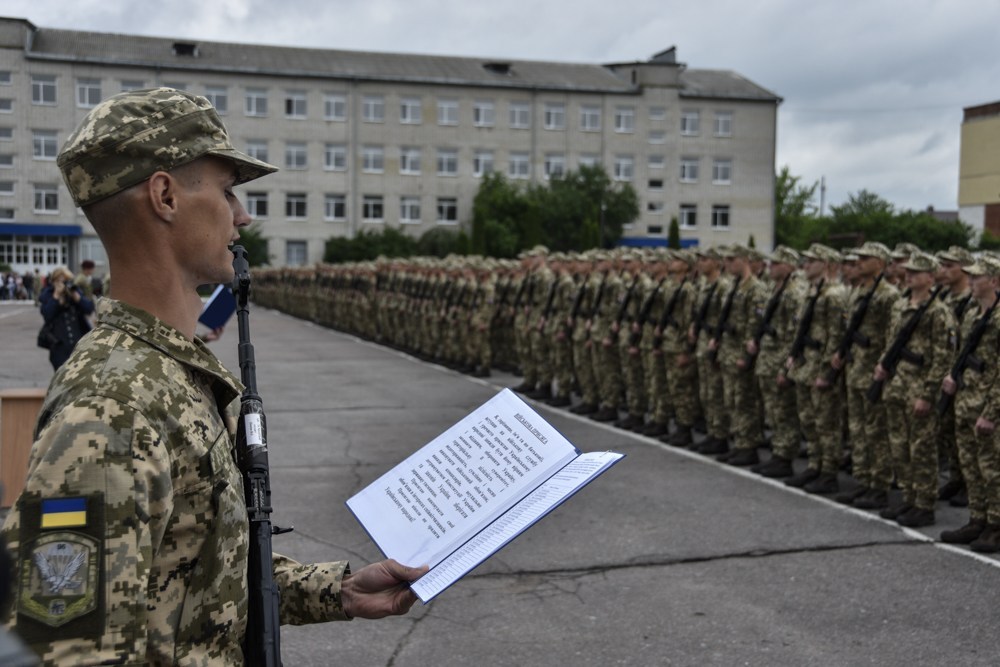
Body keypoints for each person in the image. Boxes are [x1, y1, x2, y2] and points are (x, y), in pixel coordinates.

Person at [1, 88, 425, 666]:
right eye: (227, 191)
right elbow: (65, 650)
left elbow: (195, 574)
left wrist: (340, 590)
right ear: (166, 196)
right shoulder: (109, 407)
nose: (242, 214)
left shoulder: (169, 370)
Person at [37, 266, 95, 370]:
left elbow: (89, 309)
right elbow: (47, 315)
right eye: (59, 281)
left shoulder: (74, 292)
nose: (63, 284)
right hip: (59, 344)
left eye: (66, 281)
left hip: (78, 344)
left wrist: (77, 298)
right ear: (53, 282)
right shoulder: (48, 295)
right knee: (61, 374)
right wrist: (56, 296)